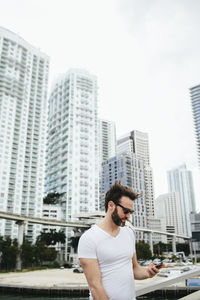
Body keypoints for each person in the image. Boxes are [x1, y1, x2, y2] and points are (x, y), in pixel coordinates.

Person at [78, 182, 163, 300]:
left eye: (131, 212)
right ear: (111, 205)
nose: (128, 216)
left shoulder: (129, 233)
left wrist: (148, 272)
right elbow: (95, 287)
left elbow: (134, 269)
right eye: (126, 211)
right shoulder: (89, 238)